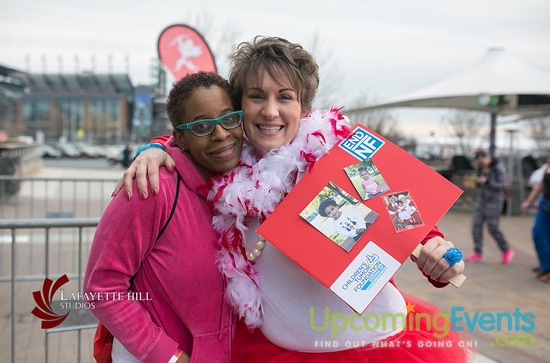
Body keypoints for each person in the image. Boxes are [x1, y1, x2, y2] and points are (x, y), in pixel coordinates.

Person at [115, 36, 472, 362]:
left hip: (377, 345)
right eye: (257, 96)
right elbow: (192, 134)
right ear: (239, 108)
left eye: (284, 97)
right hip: (277, 351)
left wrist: (439, 252)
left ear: (304, 108)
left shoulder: (337, 153)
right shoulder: (225, 170)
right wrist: (156, 148)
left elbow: (401, 208)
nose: (270, 111)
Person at [84, 71, 243, 363]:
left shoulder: (244, 186)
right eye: (202, 126)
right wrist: (170, 357)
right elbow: (102, 287)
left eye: (229, 118)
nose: (221, 134)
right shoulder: (150, 187)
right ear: (180, 137)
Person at [466, 150, 514, 264]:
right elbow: (478, 181)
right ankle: (478, 253)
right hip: (481, 200)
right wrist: (476, 182)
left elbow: (503, 184)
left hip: (494, 201)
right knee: (476, 226)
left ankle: (506, 250)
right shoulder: (480, 167)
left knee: (493, 228)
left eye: (483, 161)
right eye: (479, 162)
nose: (481, 164)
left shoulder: (498, 167)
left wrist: (487, 181)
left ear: (487, 157)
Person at [521, 151, 550, 283]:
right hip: (544, 206)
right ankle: (545, 266)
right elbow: (540, 185)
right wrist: (528, 202)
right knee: (538, 234)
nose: (548, 158)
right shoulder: (547, 168)